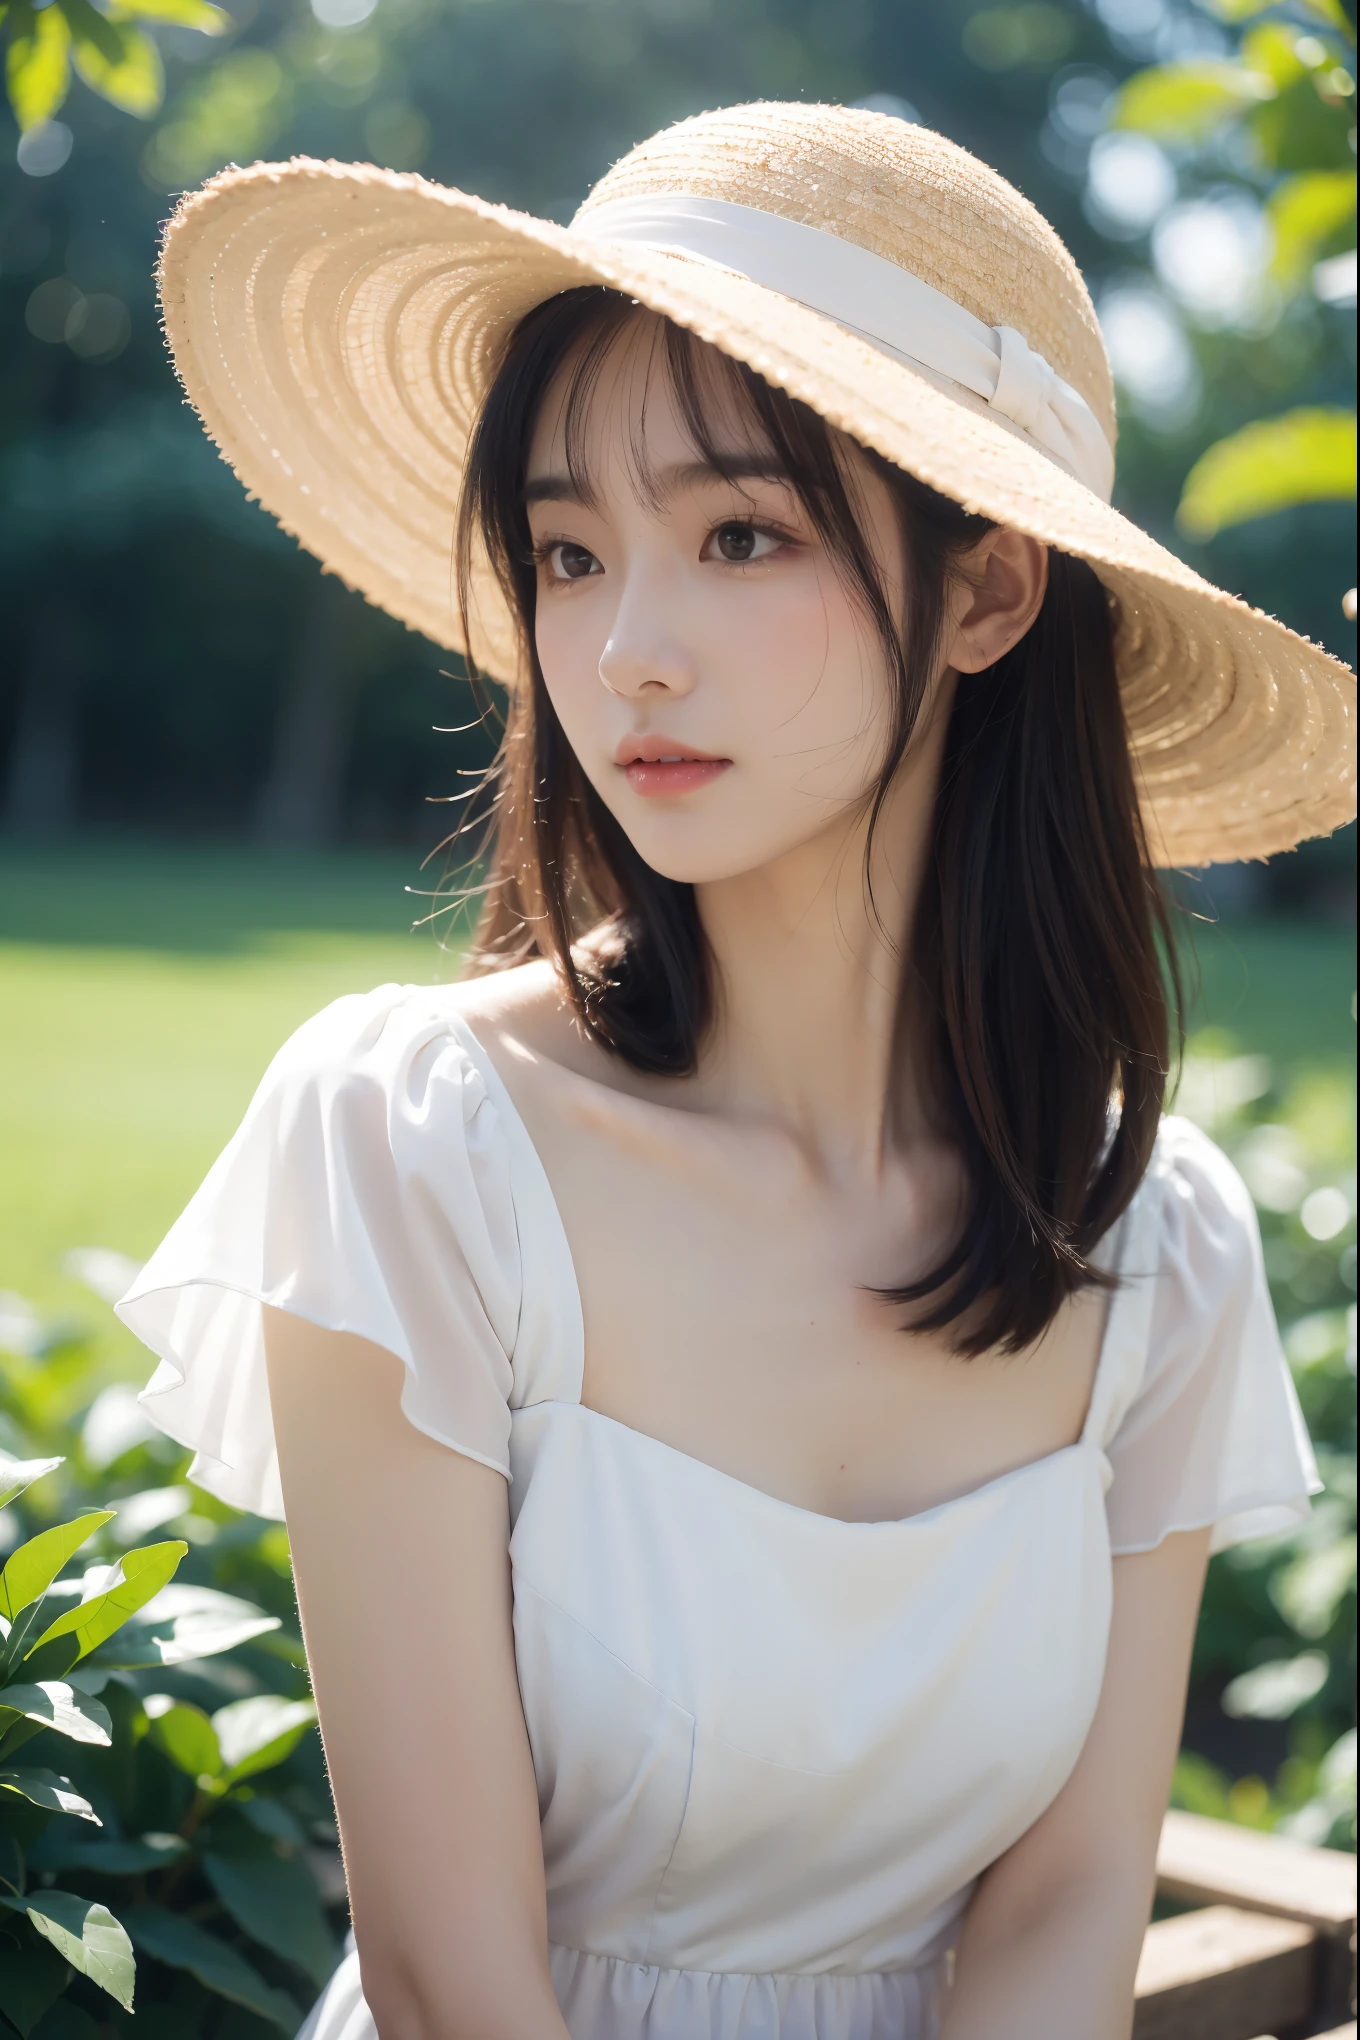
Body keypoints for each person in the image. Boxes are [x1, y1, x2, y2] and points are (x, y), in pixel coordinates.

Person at [119, 101, 1352, 2040]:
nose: (623, 653)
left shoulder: (1154, 1253)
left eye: (737, 535)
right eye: (566, 551)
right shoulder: (420, 1141)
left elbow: (1065, 1915)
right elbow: (452, 1981)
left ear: (983, 589)